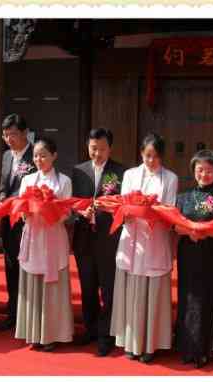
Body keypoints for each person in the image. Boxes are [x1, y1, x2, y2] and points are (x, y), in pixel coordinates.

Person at [110, 132, 178, 363]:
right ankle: (131, 342)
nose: (151, 161)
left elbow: (169, 209)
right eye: (148, 156)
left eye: (156, 157)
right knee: (131, 294)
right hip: (131, 240)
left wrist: (152, 211)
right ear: (141, 154)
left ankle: (150, 345)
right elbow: (122, 204)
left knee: (152, 295)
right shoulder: (129, 175)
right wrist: (132, 211)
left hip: (155, 239)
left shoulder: (170, 178)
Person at [174, 149, 213, 368]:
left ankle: (203, 350)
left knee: (206, 299)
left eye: (209, 170)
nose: (204, 174)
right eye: (200, 170)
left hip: (210, 254)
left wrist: (204, 231)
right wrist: (189, 231)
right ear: (194, 171)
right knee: (187, 298)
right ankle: (185, 348)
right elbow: (175, 225)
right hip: (188, 253)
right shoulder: (184, 197)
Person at [15, 138, 74, 351]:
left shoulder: (63, 181)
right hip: (32, 234)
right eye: (36, 156)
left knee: (52, 286)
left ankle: (51, 334)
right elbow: (20, 210)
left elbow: (67, 211)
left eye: (43, 155)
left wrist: (49, 212)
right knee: (32, 283)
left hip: (53, 236)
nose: (39, 160)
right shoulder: (27, 180)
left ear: (54, 156)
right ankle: (33, 331)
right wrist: (26, 211)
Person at [71, 128, 125, 356]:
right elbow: (71, 203)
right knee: (88, 287)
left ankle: (106, 334)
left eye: (102, 149)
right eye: (93, 148)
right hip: (84, 237)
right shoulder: (78, 171)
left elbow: (124, 206)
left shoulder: (120, 172)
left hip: (107, 239)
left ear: (109, 148)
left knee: (108, 287)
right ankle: (90, 328)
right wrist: (79, 213)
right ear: (88, 147)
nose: (97, 153)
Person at [0, 113, 35, 331]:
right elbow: (4, 184)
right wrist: (1, 197)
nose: (9, 139)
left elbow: (33, 188)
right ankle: (12, 310)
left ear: (25, 133)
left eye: (13, 135)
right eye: (6, 135)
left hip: (26, 220)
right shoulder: (7, 157)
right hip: (7, 218)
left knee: (25, 265)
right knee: (10, 263)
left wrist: (13, 201)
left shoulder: (35, 156)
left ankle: (26, 312)